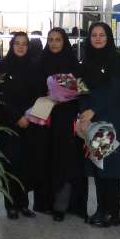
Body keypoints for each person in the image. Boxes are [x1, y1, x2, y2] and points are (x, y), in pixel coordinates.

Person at [79, 21, 120, 228]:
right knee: (98, 166)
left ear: (108, 38)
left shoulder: (115, 60)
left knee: (111, 168)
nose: (98, 38)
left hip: (110, 120)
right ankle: (101, 209)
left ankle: (112, 214)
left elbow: (115, 90)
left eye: (102, 35)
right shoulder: (86, 61)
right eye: (94, 35)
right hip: (92, 121)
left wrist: (94, 110)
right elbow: (81, 89)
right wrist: (83, 112)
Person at [34, 27, 84, 221]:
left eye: (58, 40)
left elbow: (80, 89)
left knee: (64, 162)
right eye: (51, 39)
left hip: (65, 119)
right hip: (44, 119)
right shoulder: (40, 63)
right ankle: (44, 203)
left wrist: (62, 95)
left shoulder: (73, 64)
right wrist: (46, 94)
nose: (54, 43)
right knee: (46, 160)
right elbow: (33, 89)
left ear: (64, 42)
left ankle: (60, 206)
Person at [0, 32, 36, 219]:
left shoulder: (33, 66)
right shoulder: (3, 66)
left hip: (30, 122)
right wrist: (17, 117)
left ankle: (24, 204)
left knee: (26, 164)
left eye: (24, 44)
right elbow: (2, 95)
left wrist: (29, 116)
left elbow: (38, 94)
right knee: (10, 164)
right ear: (11, 46)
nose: (20, 47)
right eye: (17, 43)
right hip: (8, 123)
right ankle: (10, 204)